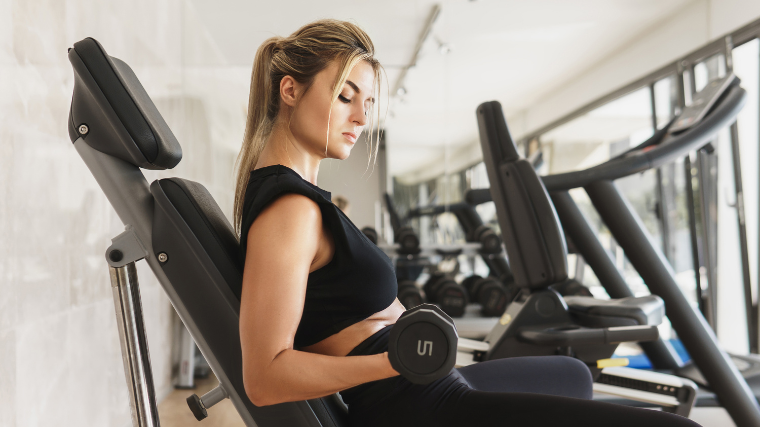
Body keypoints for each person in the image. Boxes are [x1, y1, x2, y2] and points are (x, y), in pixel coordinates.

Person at [233, 19, 701, 427]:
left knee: (572, 375)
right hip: (421, 407)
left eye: (368, 103)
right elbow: (265, 377)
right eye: (345, 97)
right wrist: (393, 363)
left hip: (427, 383)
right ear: (290, 90)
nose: (360, 117)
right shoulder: (290, 210)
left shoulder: (305, 200)